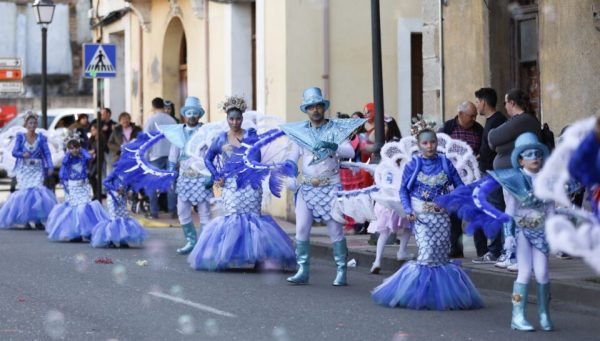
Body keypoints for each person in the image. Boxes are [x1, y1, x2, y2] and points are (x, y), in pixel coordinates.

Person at [371, 121, 483, 310]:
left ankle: (435, 296)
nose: (430, 146)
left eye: (432, 142)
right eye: (425, 143)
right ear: (419, 145)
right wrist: (408, 211)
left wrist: (461, 201)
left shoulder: (445, 163)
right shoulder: (413, 165)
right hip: (421, 217)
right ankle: (417, 295)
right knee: (426, 254)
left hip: (442, 218)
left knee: (440, 257)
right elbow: (404, 191)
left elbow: (459, 186)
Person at [187, 96, 296, 271]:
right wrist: (217, 175)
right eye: (231, 118)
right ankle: (227, 255)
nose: (235, 122)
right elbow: (208, 158)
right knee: (232, 217)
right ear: (227, 119)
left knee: (253, 218)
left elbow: (257, 158)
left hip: (250, 185)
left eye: (238, 118)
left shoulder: (250, 135)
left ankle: (259, 257)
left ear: (242, 119)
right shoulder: (221, 138)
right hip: (230, 186)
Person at [283, 87, 365, 286]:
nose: (315, 110)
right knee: (301, 228)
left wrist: (333, 146)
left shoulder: (335, 129)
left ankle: (341, 270)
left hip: (331, 187)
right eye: (311, 107)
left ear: (323, 107)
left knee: (335, 230)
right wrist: (291, 174)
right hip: (308, 187)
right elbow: (292, 159)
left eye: (318, 106)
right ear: (306, 110)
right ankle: (303, 269)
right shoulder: (300, 133)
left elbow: (350, 151)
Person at [489, 133, 553, 331]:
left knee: (542, 273)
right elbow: (510, 211)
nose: (534, 157)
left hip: (542, 234)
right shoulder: (514, 180)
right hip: (523, 233)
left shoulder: (547, 181)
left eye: (538, 154)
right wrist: (508, 235)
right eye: (529, 154)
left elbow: (551, 210)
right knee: (524, 272)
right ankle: (517, 316)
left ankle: (544, 313)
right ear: (520, 159)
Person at [163, 96, 214, 254]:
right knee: (182, 211)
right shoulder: (178, 132)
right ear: (185, 115)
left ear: (199, 115)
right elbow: (173, 156)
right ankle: (191, 241)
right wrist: (171, 175)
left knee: (204, 211)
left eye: (195, 113)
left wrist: (211, 174)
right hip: (184, 179)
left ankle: (204, 244)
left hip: (202, 177)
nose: (191, 116)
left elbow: (212, 154)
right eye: (189, 112)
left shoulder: (206, 132)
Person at [440, 101, 483, 258]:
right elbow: (440, 149)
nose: (473, 119)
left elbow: (484, 149)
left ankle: (482, 250)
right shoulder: (448, 127)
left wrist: (478, 157)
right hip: (452, 177)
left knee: (476, 211)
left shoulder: (478, 129)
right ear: (460, 114)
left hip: (473, 177)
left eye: (475, 116)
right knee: (454, 215)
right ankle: (456, 248)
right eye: (471, 116)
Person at [0, 112, 57, 229]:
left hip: (37, 168)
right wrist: (22, 154)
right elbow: (14, 152)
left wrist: (50, 166)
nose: (32, 125)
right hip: (24, 169)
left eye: (34, 122)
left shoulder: (41, 138)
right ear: (26, 124)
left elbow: (47, 153)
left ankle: (37, 220)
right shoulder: (20, 137)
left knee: (37, 192)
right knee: (25, 193)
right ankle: (25, 220)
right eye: (30, 123)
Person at [46, 137, 109, 242]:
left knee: (84, 208)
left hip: (83, 187)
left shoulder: (82, 157)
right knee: (75, 210)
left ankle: (88, 231)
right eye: (71, 148)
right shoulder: (68, 159)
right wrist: (68, 153)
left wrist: (82, 149)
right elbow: (63, 171)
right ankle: (76, 233)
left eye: (75, 148)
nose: (74, 150)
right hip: (73, 188)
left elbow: (89, 157)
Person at [473, 88, 508, 265]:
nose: (477, 105)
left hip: (493, 173)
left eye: (478, 101)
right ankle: (495, 249)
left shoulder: (498, 121)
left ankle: (496, 251)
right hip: (487, 171)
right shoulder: (490, 121)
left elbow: (499, 146)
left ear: (484, 102)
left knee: (495, 210)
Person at [90, 170, 146, 248]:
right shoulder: (115, 172)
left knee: (123, 218)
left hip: (123, 199)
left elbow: (131, 185)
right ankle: (111, 240)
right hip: (113, 199)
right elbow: (105, 182)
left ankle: (122, 239)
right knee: (114, 219)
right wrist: (116, 189)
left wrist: (130, 191)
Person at [143, 98, 177, 219]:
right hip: (170, 156)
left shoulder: (151, 120)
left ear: (152, 107)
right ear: (163, 106)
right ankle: (173, 211)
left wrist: (145, 157)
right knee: (171, 184)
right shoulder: (171, 120)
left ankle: (154, 211)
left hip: (155, 156)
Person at [90, 108, 116, 185]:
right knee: (101, 170)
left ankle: (111, 187)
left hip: (109, 149)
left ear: (108, 114)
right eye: (100, 114)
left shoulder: (113, 124)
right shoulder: (97, 123)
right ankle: (103, 191)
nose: (101, 115)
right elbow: (91, 130)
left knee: (111, 168)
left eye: (103, 114)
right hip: (99, 150)